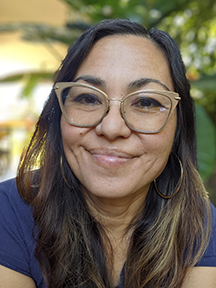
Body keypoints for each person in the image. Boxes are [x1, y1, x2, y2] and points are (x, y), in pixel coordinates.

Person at [0, 19, 216, 288]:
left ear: (178, 126)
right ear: (58, 115)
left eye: (146, 102)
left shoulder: (199, 222)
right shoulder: (8, 210)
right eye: (88, 98)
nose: (112, 127)